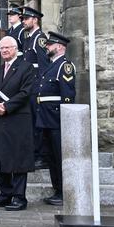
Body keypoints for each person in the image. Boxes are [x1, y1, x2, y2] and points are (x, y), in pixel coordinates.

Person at [0, 36, 35, 211]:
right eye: (1, 48)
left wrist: (6, 106)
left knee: (19, 158)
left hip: (18, 119)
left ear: (15, 49)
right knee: (2, 157)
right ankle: (5, 194)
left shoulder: (26, 67)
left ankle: (20, 197)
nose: (4, 50)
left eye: (8, 47)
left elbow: (25, 93)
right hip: (1, 120)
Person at [35, 31, 77, 206]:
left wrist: (63, 119)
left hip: (56, 118)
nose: (47, 46)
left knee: (58, 157)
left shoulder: (64, 66)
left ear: (59, 47)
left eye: (50, 45)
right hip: (46, 117)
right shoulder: (52, 65)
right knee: (51, 157)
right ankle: (57, 189)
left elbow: (67, 96)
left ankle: (63, 191)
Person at [19, 5, 50, 168]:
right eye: (23, 18)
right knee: (31, 122)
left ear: (35, 20)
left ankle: (41, 156)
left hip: (36, 88)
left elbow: (44, 66)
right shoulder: (28, 38)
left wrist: (40, 89)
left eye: (26, 18)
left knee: (38, 123)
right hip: (29, 87)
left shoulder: (39, 38)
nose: (23, 21)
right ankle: (35, 153)